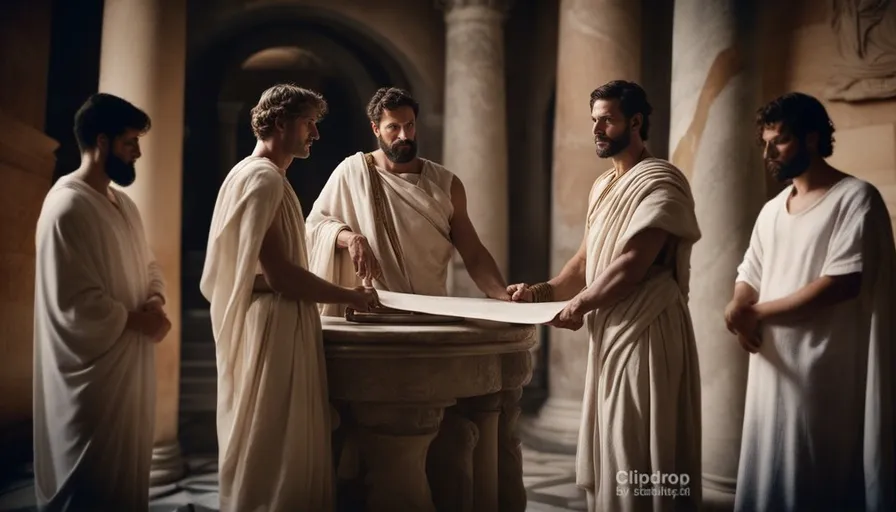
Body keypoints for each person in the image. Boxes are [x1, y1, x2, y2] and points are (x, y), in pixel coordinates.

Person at [508, 80, 703, 511]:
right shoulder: (603, 186)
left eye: (607, 119)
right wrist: (540, 292)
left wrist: (579, 305)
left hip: (647, 328)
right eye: (594, 120)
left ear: (635, 122)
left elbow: (633, 263)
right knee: (614, 440)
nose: (597, 129)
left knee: (636, 438)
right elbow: (585, 261)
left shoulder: (660, 181)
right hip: (611, 328)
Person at [200, 84, 378, 512]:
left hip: (276, 319)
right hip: (271, 324)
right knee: (274, 441)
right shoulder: (261, 179)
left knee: (276, 438)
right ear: (281, 123)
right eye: (308, 124)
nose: (315, 135)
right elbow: (278, 276)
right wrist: (350, 295)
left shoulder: (259, 175)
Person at [726, 92, 896, 511]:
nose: (768, 152)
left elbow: (843, 282)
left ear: (813, 139)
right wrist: (737, 306)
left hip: (825, 369)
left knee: (818, 476)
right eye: (765, 142)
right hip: (773, 366)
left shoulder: (856, 198)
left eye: (779, 141)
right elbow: (750, 273)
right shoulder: (770, 211)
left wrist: (754, 313)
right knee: (770, 474)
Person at [33, 93, 171, 510]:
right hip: (92, 374)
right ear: (102, 141)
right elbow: (72, 302)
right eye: (130, 142)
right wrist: (137, 321)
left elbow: (147, 262)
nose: (138, 152)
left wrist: (156, 299)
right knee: (90, 483)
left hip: (128, 361)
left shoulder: (122, 202)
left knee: (125, 476)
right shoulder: (66, 206)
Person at [306, 87, 508, 315]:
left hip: (430, 312)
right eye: (393, 127)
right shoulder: (352, 172)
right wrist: (350, 238)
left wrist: (502, 294)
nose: (404, 135)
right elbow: (315, 225)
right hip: (371, 312)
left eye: (409, 125)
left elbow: (474, 254)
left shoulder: (446, 184)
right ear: (376, 129)